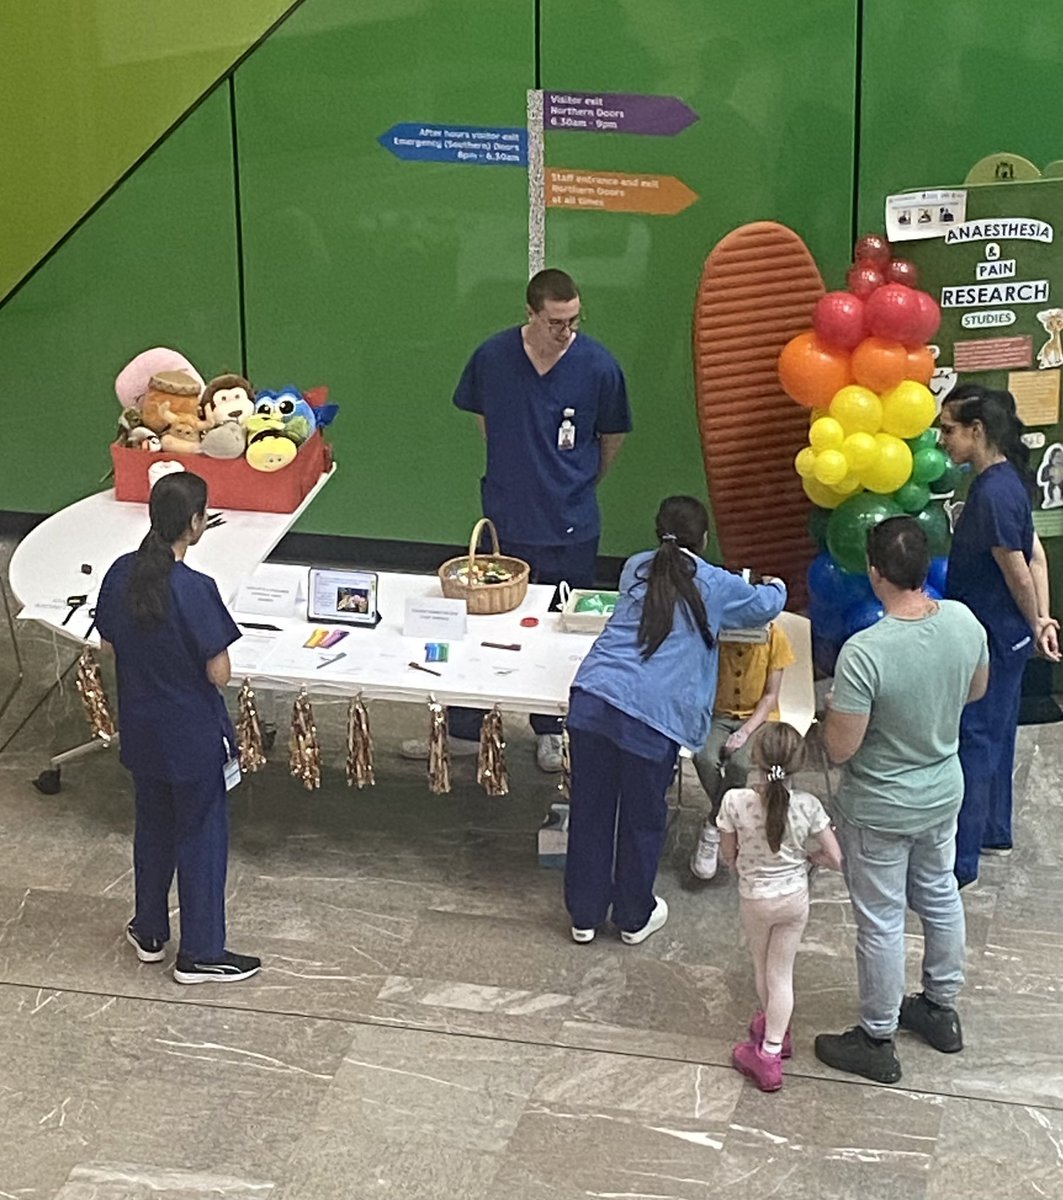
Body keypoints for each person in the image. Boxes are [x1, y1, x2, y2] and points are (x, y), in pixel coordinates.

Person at [401, 267, 631, 772]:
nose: (566, 330)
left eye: (573, 319)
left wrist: (579, 480)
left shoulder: (598, 367)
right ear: (529, 313)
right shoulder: (493, 358)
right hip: (506, 518)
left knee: (562, 631)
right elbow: (486, 422)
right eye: (555, 321)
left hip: (571, 522)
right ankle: (466, 728)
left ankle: (552, 731)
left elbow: (612, 436)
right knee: (484, 623)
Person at [563, 495, 787, 945]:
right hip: (652, 716)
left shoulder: (634, 567)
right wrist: (776, 584)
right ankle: (632, 917)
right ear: (704, 540)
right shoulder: (716, 583)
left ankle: (584, 917)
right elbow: (766, 604)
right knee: (643, 818)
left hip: (592, 699)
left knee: (590, 811)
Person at [814, 517, 988, 1083]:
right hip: (942, 793)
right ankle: (940, 1008)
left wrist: (828, 717)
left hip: (880, 809)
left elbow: (841, 748)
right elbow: (976, 689)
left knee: (882, 919)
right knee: (939, 894)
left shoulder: (866, 652)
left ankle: (877, 1035)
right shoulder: (963, 620)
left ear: (874, 572)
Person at [94, 472, 260, 985]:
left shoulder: (121, 574)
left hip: (142, 730)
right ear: (194, 523)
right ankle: (202, 952)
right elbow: (220, 672)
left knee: (153, 828)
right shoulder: (195, 588)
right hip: (191, 736)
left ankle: (149, 930)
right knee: (202, 837)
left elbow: (109, 645)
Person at [939, 384, 1061, 888]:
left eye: (948, 430)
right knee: (999, 736)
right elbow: (1037, 555)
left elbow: (1017, 569)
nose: (941, 439)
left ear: (977, 430)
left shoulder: (991, 494)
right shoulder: (1008, 481)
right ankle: (994, 830)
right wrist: (1044, 620)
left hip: (990, 640)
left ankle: (961, 862)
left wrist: (1036, 623)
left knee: (976, 741)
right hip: (1007, 637)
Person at [718, 722, 842, 1092]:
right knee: (782, 972)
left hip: (756, 898)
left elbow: (727, 853)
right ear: (799, 764)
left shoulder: (735, 801)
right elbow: (836, 857)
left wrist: (737, 861)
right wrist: (811, 858)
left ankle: (768, 1053)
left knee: (763, 968)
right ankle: (776, 1039)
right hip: (794, 899)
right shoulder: (808, 806)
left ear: (754, 759)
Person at [690, 617, 796, 880]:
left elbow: (771, 696)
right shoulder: (715, 632)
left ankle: (714, 825)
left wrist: (745, 731)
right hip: (718, 714)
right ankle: (730, 820)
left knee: (739, 764)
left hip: (758, 717)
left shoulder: (775, 637)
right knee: (703, 757)